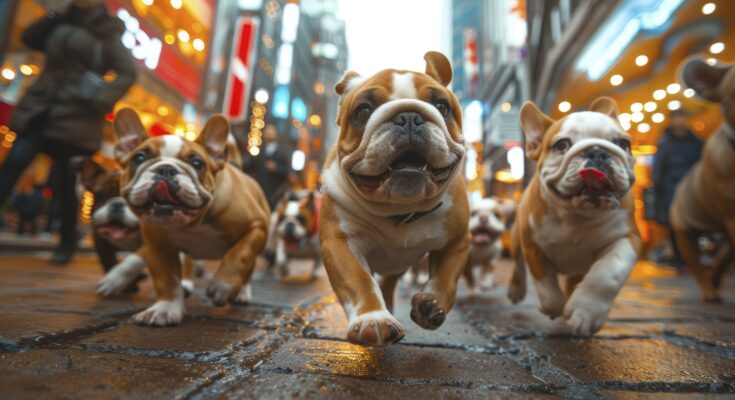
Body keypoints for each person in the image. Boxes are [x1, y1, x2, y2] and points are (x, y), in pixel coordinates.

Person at [0, 0, 137, 264]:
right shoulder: (63, 20)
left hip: (77, 116)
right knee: (14, 163)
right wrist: (56, 15)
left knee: (64, 181)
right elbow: (30, 37)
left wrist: (99, 98)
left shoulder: (107, 31)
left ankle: (66, 241)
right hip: (43, 108)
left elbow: (127, 73)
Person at [652, 109, 704, 268]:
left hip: (692, 191)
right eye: (678, 118)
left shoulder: (694, 141)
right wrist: (659, 188)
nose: (681, 121)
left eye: (683, 117)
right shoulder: (664, 142)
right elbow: (658, 169)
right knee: (675, 228)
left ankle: (692, 259)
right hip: (671, 193)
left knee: (694, 227)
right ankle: (680, 260)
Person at [245, 125, 291, 209]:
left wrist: (276, 168)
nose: (269, 134)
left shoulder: (282, 154)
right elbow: (250, 168)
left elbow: (287, 173)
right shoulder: (259, 153)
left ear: (276, 135)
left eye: (271, 132)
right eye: (268, 132)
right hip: (260, 192)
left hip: (275, 194)